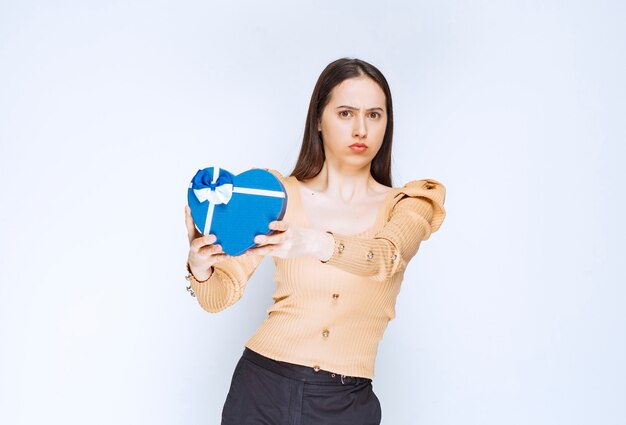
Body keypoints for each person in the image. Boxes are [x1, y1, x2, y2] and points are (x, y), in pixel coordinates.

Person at [184, 57, 446, 425]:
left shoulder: (411, 204)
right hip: (260, 388)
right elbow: (218, 297)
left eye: (374, 115)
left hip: (345, 404)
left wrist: (314, 243)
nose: (360, 129)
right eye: (345, 113)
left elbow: (386, 258)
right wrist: (201, 268)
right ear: (319, 121)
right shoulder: (275, 196)